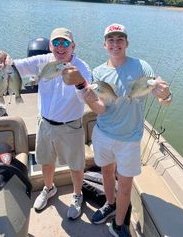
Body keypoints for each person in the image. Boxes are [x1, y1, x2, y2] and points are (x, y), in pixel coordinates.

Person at [65, 23, 172, 236]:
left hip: (130, 140)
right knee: (106, 171)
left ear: (127, 43)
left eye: (120, 39)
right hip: (103, 134)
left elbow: (164, 100)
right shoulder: (98, 72)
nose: (116, 44)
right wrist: (89, 102)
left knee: (124, 185)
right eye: (111, 40)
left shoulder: (142, 67)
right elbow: (101, 109)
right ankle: (110, 205)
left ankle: (119, 224)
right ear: (104, 45)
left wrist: (166, 95)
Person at [0, 27, 92, 220]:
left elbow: (87, 98)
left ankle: (77, 195)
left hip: (71, 126)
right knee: (45, 161)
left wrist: (79, 81)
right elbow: (14, 67)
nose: (60, 47)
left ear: (73, 46)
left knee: (76, 166)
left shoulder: (83, 67)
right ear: (49, 46)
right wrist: (2, 59)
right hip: (45, 124)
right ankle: (48, 188)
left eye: (65, 43)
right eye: (56, 43)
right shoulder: (42, 61)